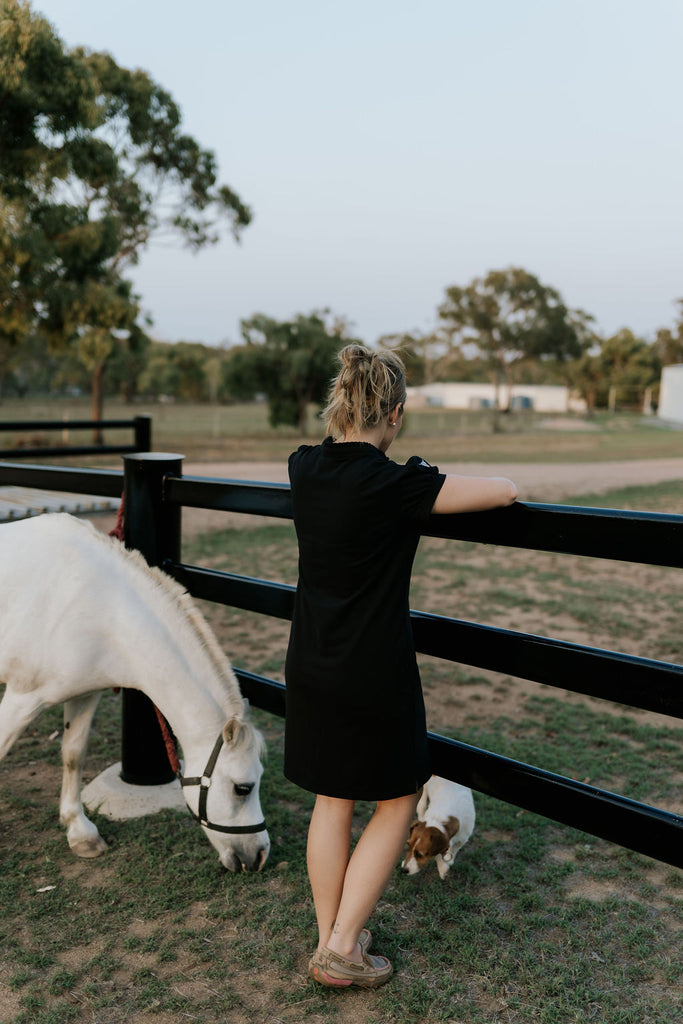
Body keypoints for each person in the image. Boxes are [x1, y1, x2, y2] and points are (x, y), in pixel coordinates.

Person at [284, 344, 517, 989]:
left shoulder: (304, 468)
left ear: (338, 403)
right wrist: (421, 467)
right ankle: (341, 952)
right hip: (372, 674)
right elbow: (504, 490)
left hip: (309, 661)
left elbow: (330, 461)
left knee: (332, 801)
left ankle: (337, 939)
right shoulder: (395, 484)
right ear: (394, 412)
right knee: (395, 801)